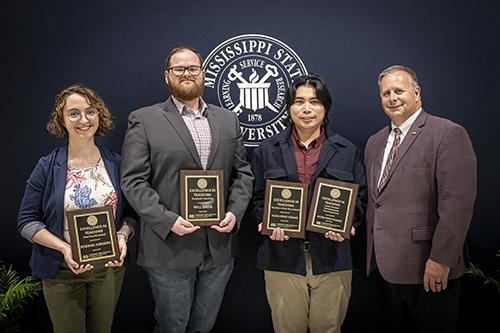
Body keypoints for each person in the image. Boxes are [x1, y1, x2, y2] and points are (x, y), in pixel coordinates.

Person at [120, 46, 254, 333]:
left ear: (203, 73)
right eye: (179, 69)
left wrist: (234, 212)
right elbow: (133, 180)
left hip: (218, 247)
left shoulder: (228, 119)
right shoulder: (144, 119)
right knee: (172, 326)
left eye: (193, 68)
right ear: (167, 76)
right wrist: (167, 220)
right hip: (169, 247)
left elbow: (242, 174)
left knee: (203, 327)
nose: (187, 74)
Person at [250, 74, 367, 333]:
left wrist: (349, 223)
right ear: (289, 108)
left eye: (314, 102)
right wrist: (264, 222)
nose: (306, 109)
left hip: (332, 258)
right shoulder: (267, 150)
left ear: (325, 108)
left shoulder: (347, 150)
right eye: (299, 101)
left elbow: (360, 197)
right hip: (282, 259)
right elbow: (257, 197)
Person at [364, 65, 477, 333]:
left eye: (399, 91)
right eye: (385, 93)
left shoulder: (447, 133)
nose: (392, 98)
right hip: (386, 267)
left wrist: (441, 260)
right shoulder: (374, 142)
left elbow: (457, 205)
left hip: (429, 268)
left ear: (417, 92)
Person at [17, 84, 136, 333]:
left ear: (99, 115)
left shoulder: (116, 163)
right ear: (62, 120)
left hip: (108, 270)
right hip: (61, 269)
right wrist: (64, 248)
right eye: (74, 113)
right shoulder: (47, 166)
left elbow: (130, 215)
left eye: (90, 111)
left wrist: (122, 236)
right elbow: (27, 222)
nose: (84, 119)